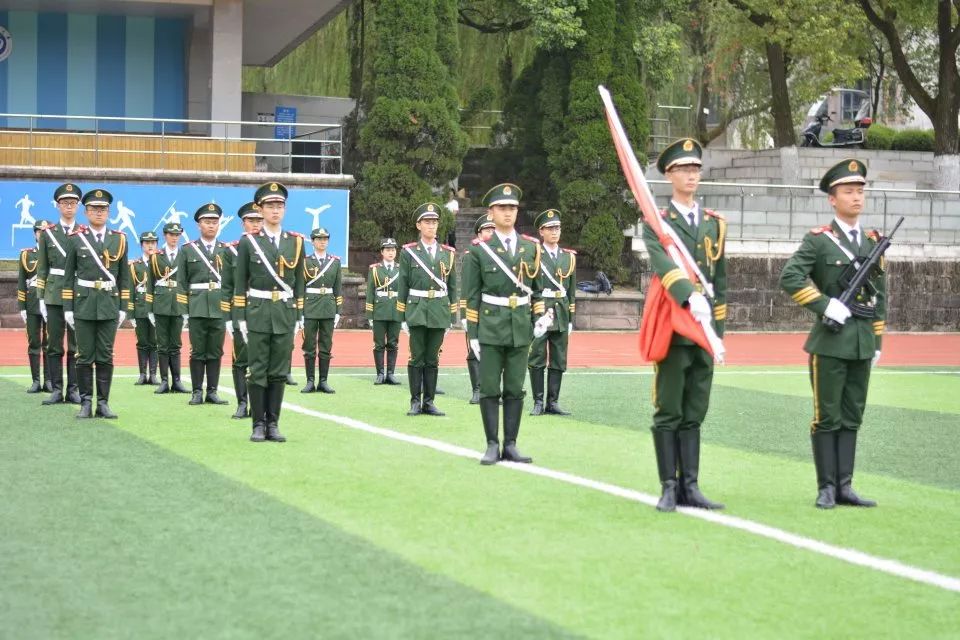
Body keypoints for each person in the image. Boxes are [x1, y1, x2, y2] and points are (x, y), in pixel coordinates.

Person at [780, 158, 885, 509]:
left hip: (861, 342)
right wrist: (825, 305)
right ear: (832, 199)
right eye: (848, 191)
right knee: (828, 416)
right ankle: (826, 487)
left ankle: (845, 486)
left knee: (853, 414)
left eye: (860, 191)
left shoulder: (873, 241)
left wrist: (878, 341)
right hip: (830, 343)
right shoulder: (819, 242)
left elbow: (879, 295)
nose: (856, 197)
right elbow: (790, 278)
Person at [643, 138, 727, 511]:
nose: (691, 175)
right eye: (684, 169)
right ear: (669, 175)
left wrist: (717, 335)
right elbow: (663, 264)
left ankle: (690, 485)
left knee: (695, 411)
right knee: (669, 410)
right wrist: (687, 295)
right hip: (676, 328)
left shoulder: (714, 225)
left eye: (695, 169)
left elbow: (720, 282)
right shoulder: (658, 224)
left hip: (704, 333)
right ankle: (668, 485)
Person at [461, 183, 551, 465]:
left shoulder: (530, 247)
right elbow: (471, 296)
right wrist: (472, 334)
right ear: (491, 212)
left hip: (520, 327)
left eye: (512, 208)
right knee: (489, 387)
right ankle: (491, 444)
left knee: (515, 387)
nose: (508, 213)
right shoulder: (479, 251)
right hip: (490, 326)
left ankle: (511, 444)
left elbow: (537, 288)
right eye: (502, 208)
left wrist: (539, 318)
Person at [233, 182, 306, 443]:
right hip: (258, 311)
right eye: (270, 206)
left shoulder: (296, 242)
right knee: (258, 369)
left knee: (278, 370)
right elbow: (240, 281)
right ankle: (258, 423)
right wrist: (239, 317)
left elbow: (299, 282)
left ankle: (273, 423)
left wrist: (299, 315)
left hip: (284, 313)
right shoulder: (248, 242)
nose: (275, 210)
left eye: (279, 205)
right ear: (261, 209)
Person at [62, 188, 130, 419]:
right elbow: (67, 276)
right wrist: (68, 309)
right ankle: (85, 402)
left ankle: (103, 403)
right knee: (84, 355)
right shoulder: (75, 240)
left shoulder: (119, 239)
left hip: (109, 304)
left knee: (105, 355)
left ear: (109, 212)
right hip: (83, 304)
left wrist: (123, 307)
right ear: (86, 211)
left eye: (103, 209)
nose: (99, 212)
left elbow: (124, 277)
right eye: (94, 209)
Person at [397, 203, 457, 416]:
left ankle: (429, 402)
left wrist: (452, 315)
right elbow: (402, 283)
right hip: (417, 309)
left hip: (439, 309)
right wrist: (401, 316)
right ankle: (415, 401)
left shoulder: (447, 253)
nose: (432, 226)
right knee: (416, 357)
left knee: (433, 358)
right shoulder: (409, 252)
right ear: (419, 225)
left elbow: (452, 285)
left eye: (434, 222)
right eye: (427, 222)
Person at [178, 203, 230, 406]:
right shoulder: (188, 250)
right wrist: (184, 311)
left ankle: (213, 391)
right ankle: (197, 391)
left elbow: (230, 283)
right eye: (207, 222)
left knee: (216, 351)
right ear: (199, 225)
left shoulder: (226, 250)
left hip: (219, 307)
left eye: (214, 222)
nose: (211, 226)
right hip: (197, 306)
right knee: (198, 351)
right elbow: (181, 283)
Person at [36, 183, 82, 405]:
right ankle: (56, 389)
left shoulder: (83, 233)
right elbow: (42, 268)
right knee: (54, 344)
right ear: (57, 205)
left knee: (75, 345)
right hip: (53, 294)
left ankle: (73, 389)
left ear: (78, 206)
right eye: (65, 203)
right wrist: (41, 297)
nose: (69, 207)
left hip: (76, 292)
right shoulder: (47, 234)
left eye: (73, 203)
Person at [528, 209, 576, 416]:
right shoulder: (535, 255)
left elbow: (571, 291)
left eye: (557, 228)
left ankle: (552, 402)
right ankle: (538, 401)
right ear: (541, 231)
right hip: (542, 311)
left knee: (558, 358)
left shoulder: (569, 258)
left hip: (561, 311)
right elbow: (530, 287)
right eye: (550, 228)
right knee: (537, 356)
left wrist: (571, 318)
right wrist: (534, 315)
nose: (554, 231)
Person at [221, 202, 263, 419]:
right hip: (241, 310)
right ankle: (242, 402)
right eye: (251, 220)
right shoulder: (231, 250)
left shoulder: (271, 247)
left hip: (264, 309)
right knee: (241, 358)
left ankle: (258, 405)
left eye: (258, 220)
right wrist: (228, 317)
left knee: (263, 359)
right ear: (243, 223)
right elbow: (226, 286)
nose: (255, 224)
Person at [148, 222, 189, 394]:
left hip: (178, 303)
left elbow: (187, 282)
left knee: (176, 344)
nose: (174, 238)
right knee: (163, 344)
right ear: (165, 235)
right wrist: (150, 309)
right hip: (161, 303)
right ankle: (164, 380)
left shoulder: (185, 254)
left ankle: (177, 381)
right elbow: (150, 282)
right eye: (171, 234)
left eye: (177, 234)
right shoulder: (156, 256)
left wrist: (187, 308)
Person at [300, 227, 342, 394]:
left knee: (326, 345)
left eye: (325, 239)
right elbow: (300, 287)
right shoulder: (305, 261)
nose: (322, 241)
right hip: (310, 306)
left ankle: (323, 381)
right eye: (319, 239)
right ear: (312, 241)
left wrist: (338, 310)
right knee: (309, 345)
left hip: (328, 307)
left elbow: (338, 287)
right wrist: (300, 312)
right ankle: (310, 381)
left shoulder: (335, 262)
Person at [461, 214, 496, 403]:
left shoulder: (501, 253)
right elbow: (466, 287)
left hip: (497, 311)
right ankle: (477, 389)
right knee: (475, 350)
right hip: (478, 309)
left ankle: (491, 389)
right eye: (487, 230)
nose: (491, 233)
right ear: (479, 233)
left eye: (493, 230)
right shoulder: (472, 254)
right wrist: (465, 315)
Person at [18, 219, 51, 393]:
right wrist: (22, 307)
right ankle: (36, 381)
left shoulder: (55, 254)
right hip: (32, 303)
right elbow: (22, 282)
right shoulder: (26, 255)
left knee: (50, 343)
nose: (41, 234)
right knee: (33, 342)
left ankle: (49, 381)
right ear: (35, 234)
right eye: (39, 231)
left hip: (49, 301)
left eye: (45, 231)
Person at [365, 237, 402, 385]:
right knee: (379, 343)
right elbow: (370, 292)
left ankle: (391, 373)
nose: (391, 252)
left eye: (393, 250)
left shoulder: (401, 269)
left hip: (396, 310)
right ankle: (380, 373)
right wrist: (370, 314)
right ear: (382, 252)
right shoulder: (375, 269)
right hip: (379, 311)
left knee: (393, 343)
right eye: (387, 250)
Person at [129, 231, 159, 385]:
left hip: (155, 308)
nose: (150, 245)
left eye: (153, 242)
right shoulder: (135, 266)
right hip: (140, 307)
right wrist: (131, 314)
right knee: (142, 342)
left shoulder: (160, 263)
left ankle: (153, 374)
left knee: (154, 342)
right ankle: (142, 374)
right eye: (147, 243)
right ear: (141, 245)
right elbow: (130, 289)